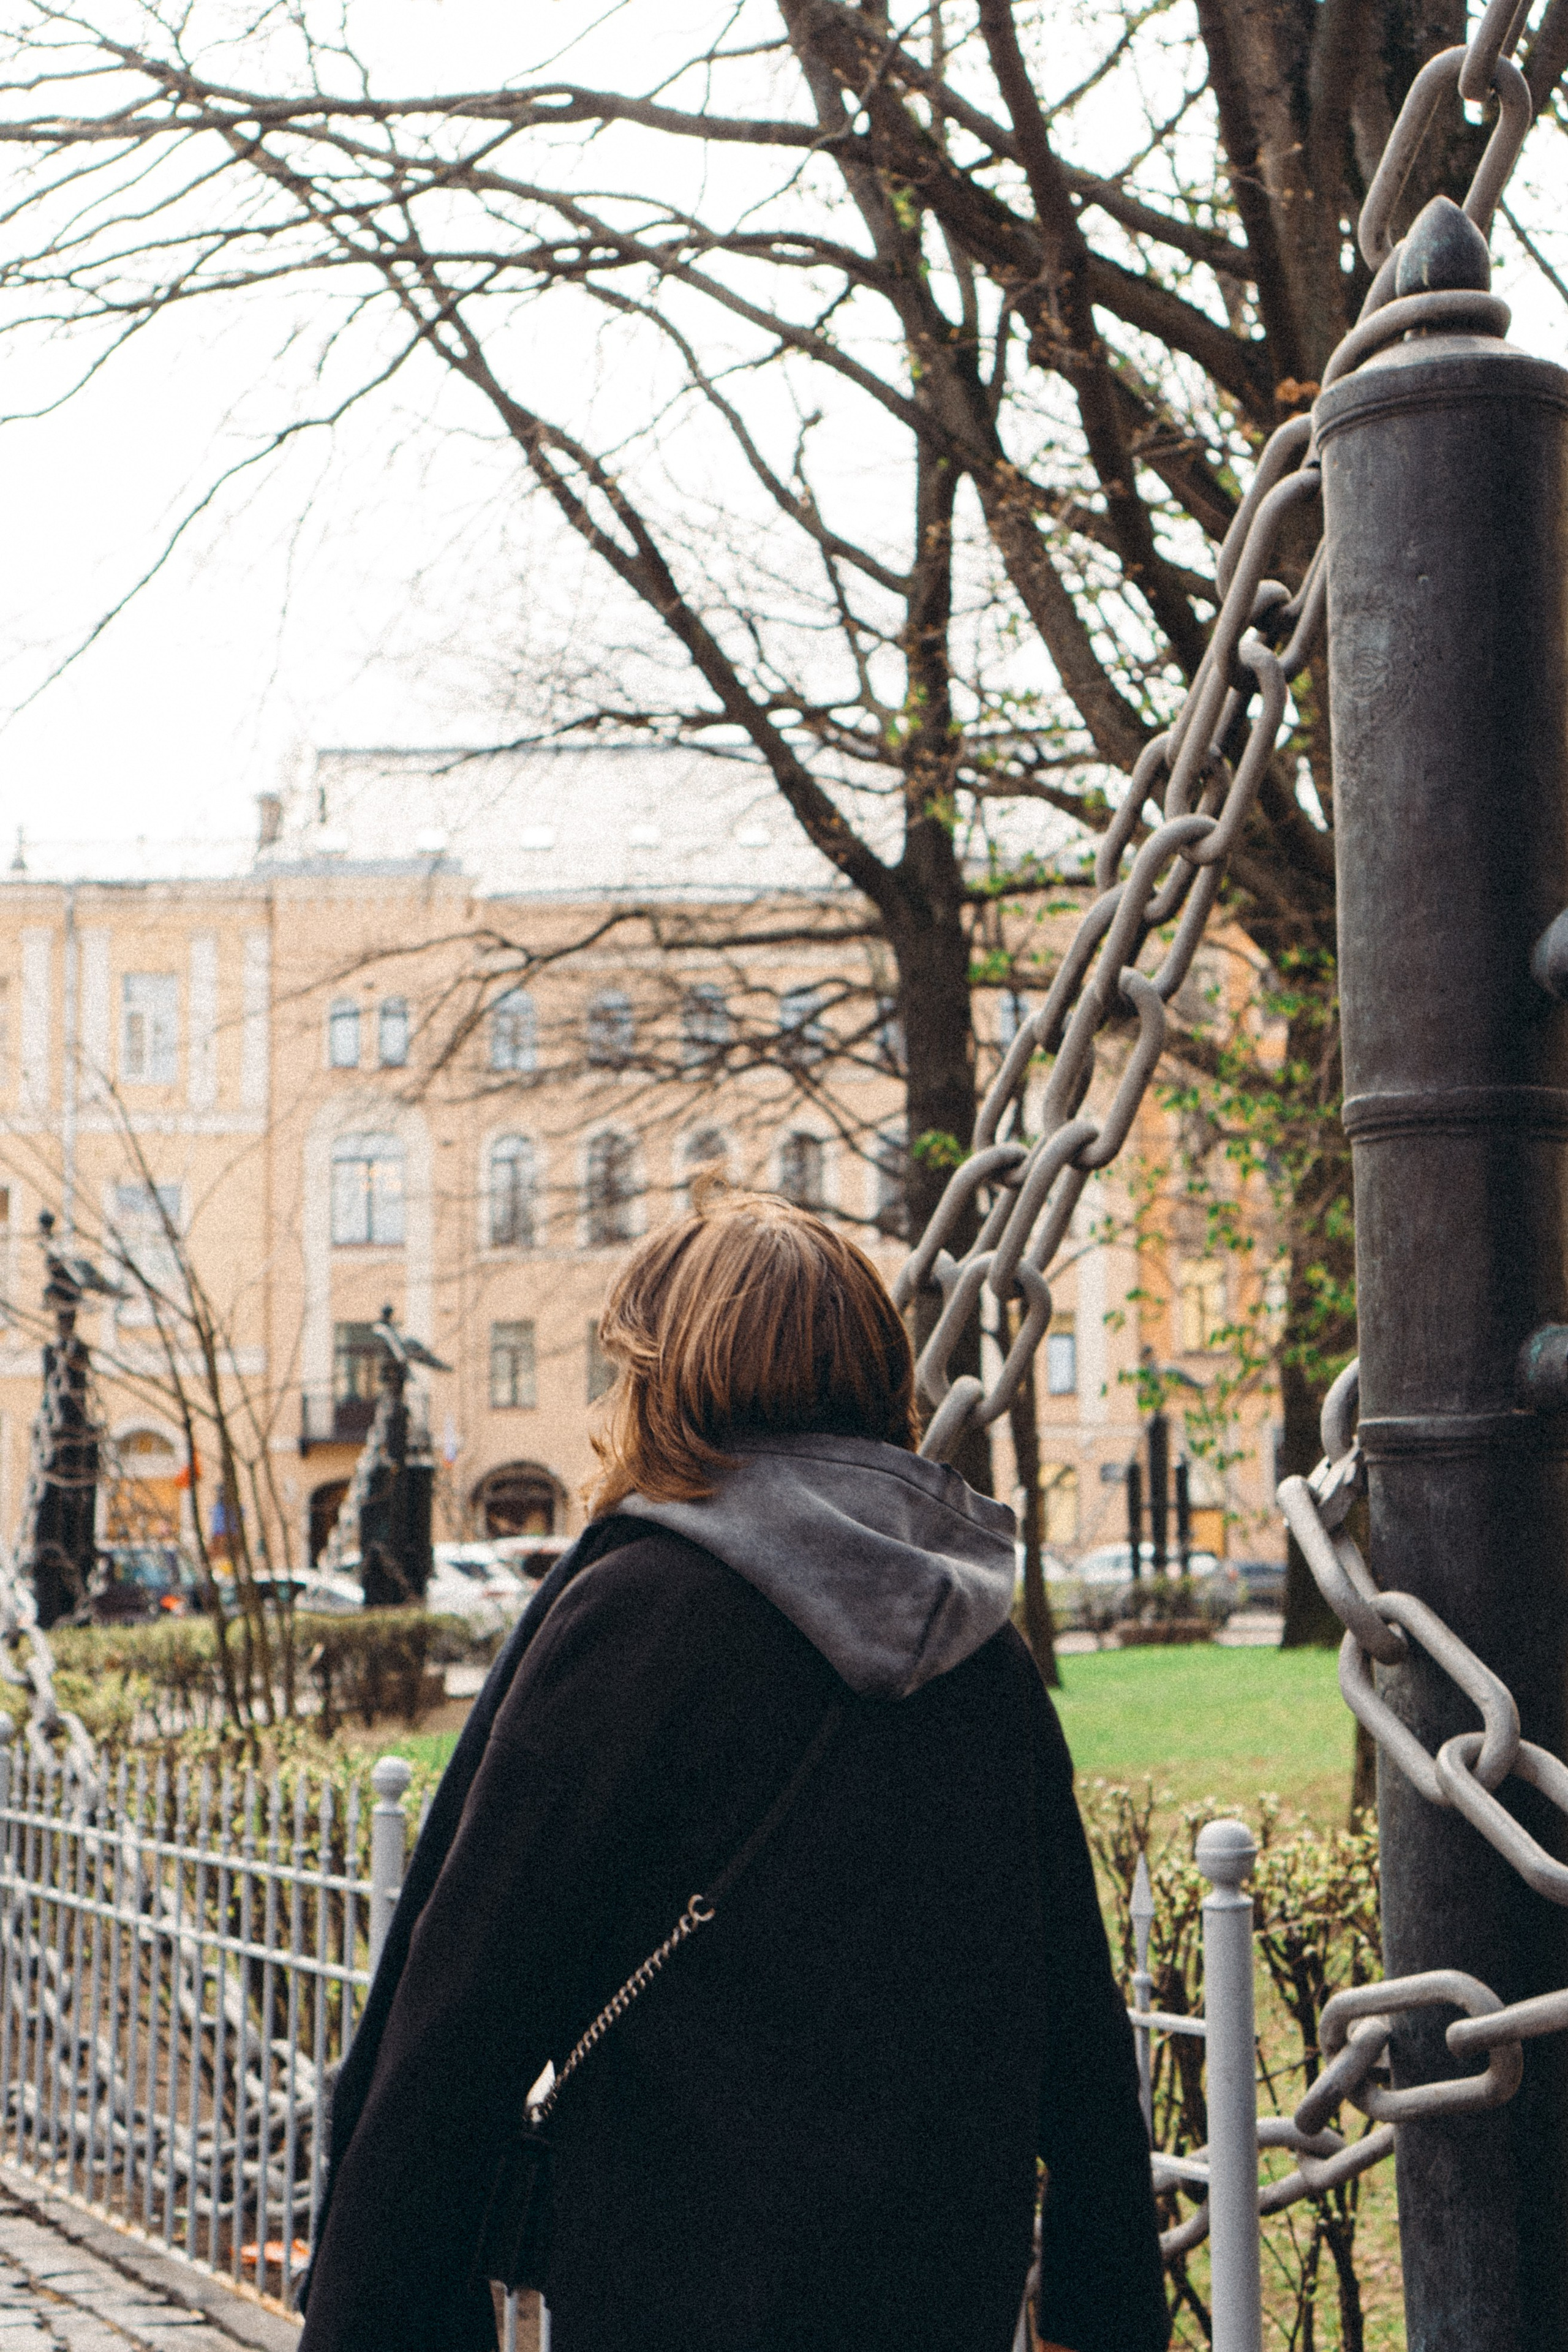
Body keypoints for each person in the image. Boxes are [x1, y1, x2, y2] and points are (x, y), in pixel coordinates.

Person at [300, 1188, 1169, 2352]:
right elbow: (1074, 2006)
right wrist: (1104, 2304)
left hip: (679, 2271)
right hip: (938, 2280)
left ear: (670, 1379)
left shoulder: (631, 1615)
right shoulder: (975, 1644)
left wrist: (377, 2312)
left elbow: (464, 2003)